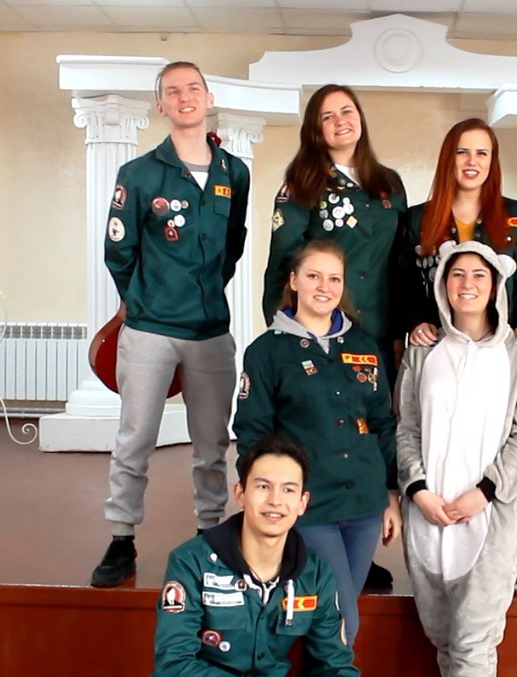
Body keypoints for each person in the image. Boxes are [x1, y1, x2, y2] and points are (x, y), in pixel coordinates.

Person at [92, 61, 249, 588]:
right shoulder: (138, 174)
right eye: (173, 91)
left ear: (209, 97)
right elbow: (119, 251)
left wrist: (201, 291)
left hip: (210, 334)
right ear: (161, 106)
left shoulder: (234, 173)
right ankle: (121, 538)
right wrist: (147, 299)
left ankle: (211, 534)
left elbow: (232, 247)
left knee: (212, 445)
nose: (185, 97)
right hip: (150, 330)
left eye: (193, 88)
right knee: (135, 439)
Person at [263, 84, 407, 592]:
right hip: (321, 332)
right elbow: (283, 263)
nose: (341, 120)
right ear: (315, 129)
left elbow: (398, 264)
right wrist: (283, 333)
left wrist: (402, 332)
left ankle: (357, 546)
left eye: (347, 111)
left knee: (366, 432)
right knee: (322, 432)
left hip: (376, 333)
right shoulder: (301, 183)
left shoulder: (387, 183)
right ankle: (312, 541)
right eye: (328, 116)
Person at [234, 239, 401, 646]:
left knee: (331, 615)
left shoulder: (364, 345)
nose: (324, 287)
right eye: (313, 276)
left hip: (364, 504)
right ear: (294, 281)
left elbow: (382, 422)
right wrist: (267, 499)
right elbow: (253, 433)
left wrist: (391, 495)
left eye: (334, 279)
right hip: (308, 505)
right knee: (342, 619)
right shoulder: (267, 352)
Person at [396, 240, 517, 677]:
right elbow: (406, 427)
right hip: (428, 514)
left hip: (488, 517)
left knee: (472, 644)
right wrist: (418, 490)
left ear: (495, 285)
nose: (468, 284)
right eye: (457, 274)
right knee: (444, 638)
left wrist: (485, 492)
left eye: (479, 275)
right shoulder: (422, 351)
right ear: (442, 284)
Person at [152, 434, 359, 676]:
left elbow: (335, 665)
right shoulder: (191, 562)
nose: (275, 501)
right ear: (240, 494)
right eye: (263, 487)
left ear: (303, 503)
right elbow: (174, 665)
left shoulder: (315, 574)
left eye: (288, 490)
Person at [403, 118, 517, 351]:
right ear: (448, 158)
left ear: (492, 161)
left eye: (482, 153)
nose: (472, 161)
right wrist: (417, 322)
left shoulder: (513, 212)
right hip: (436, 345)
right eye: (462, 152)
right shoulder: (418, 218)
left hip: (499, 346)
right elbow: (406, 283)